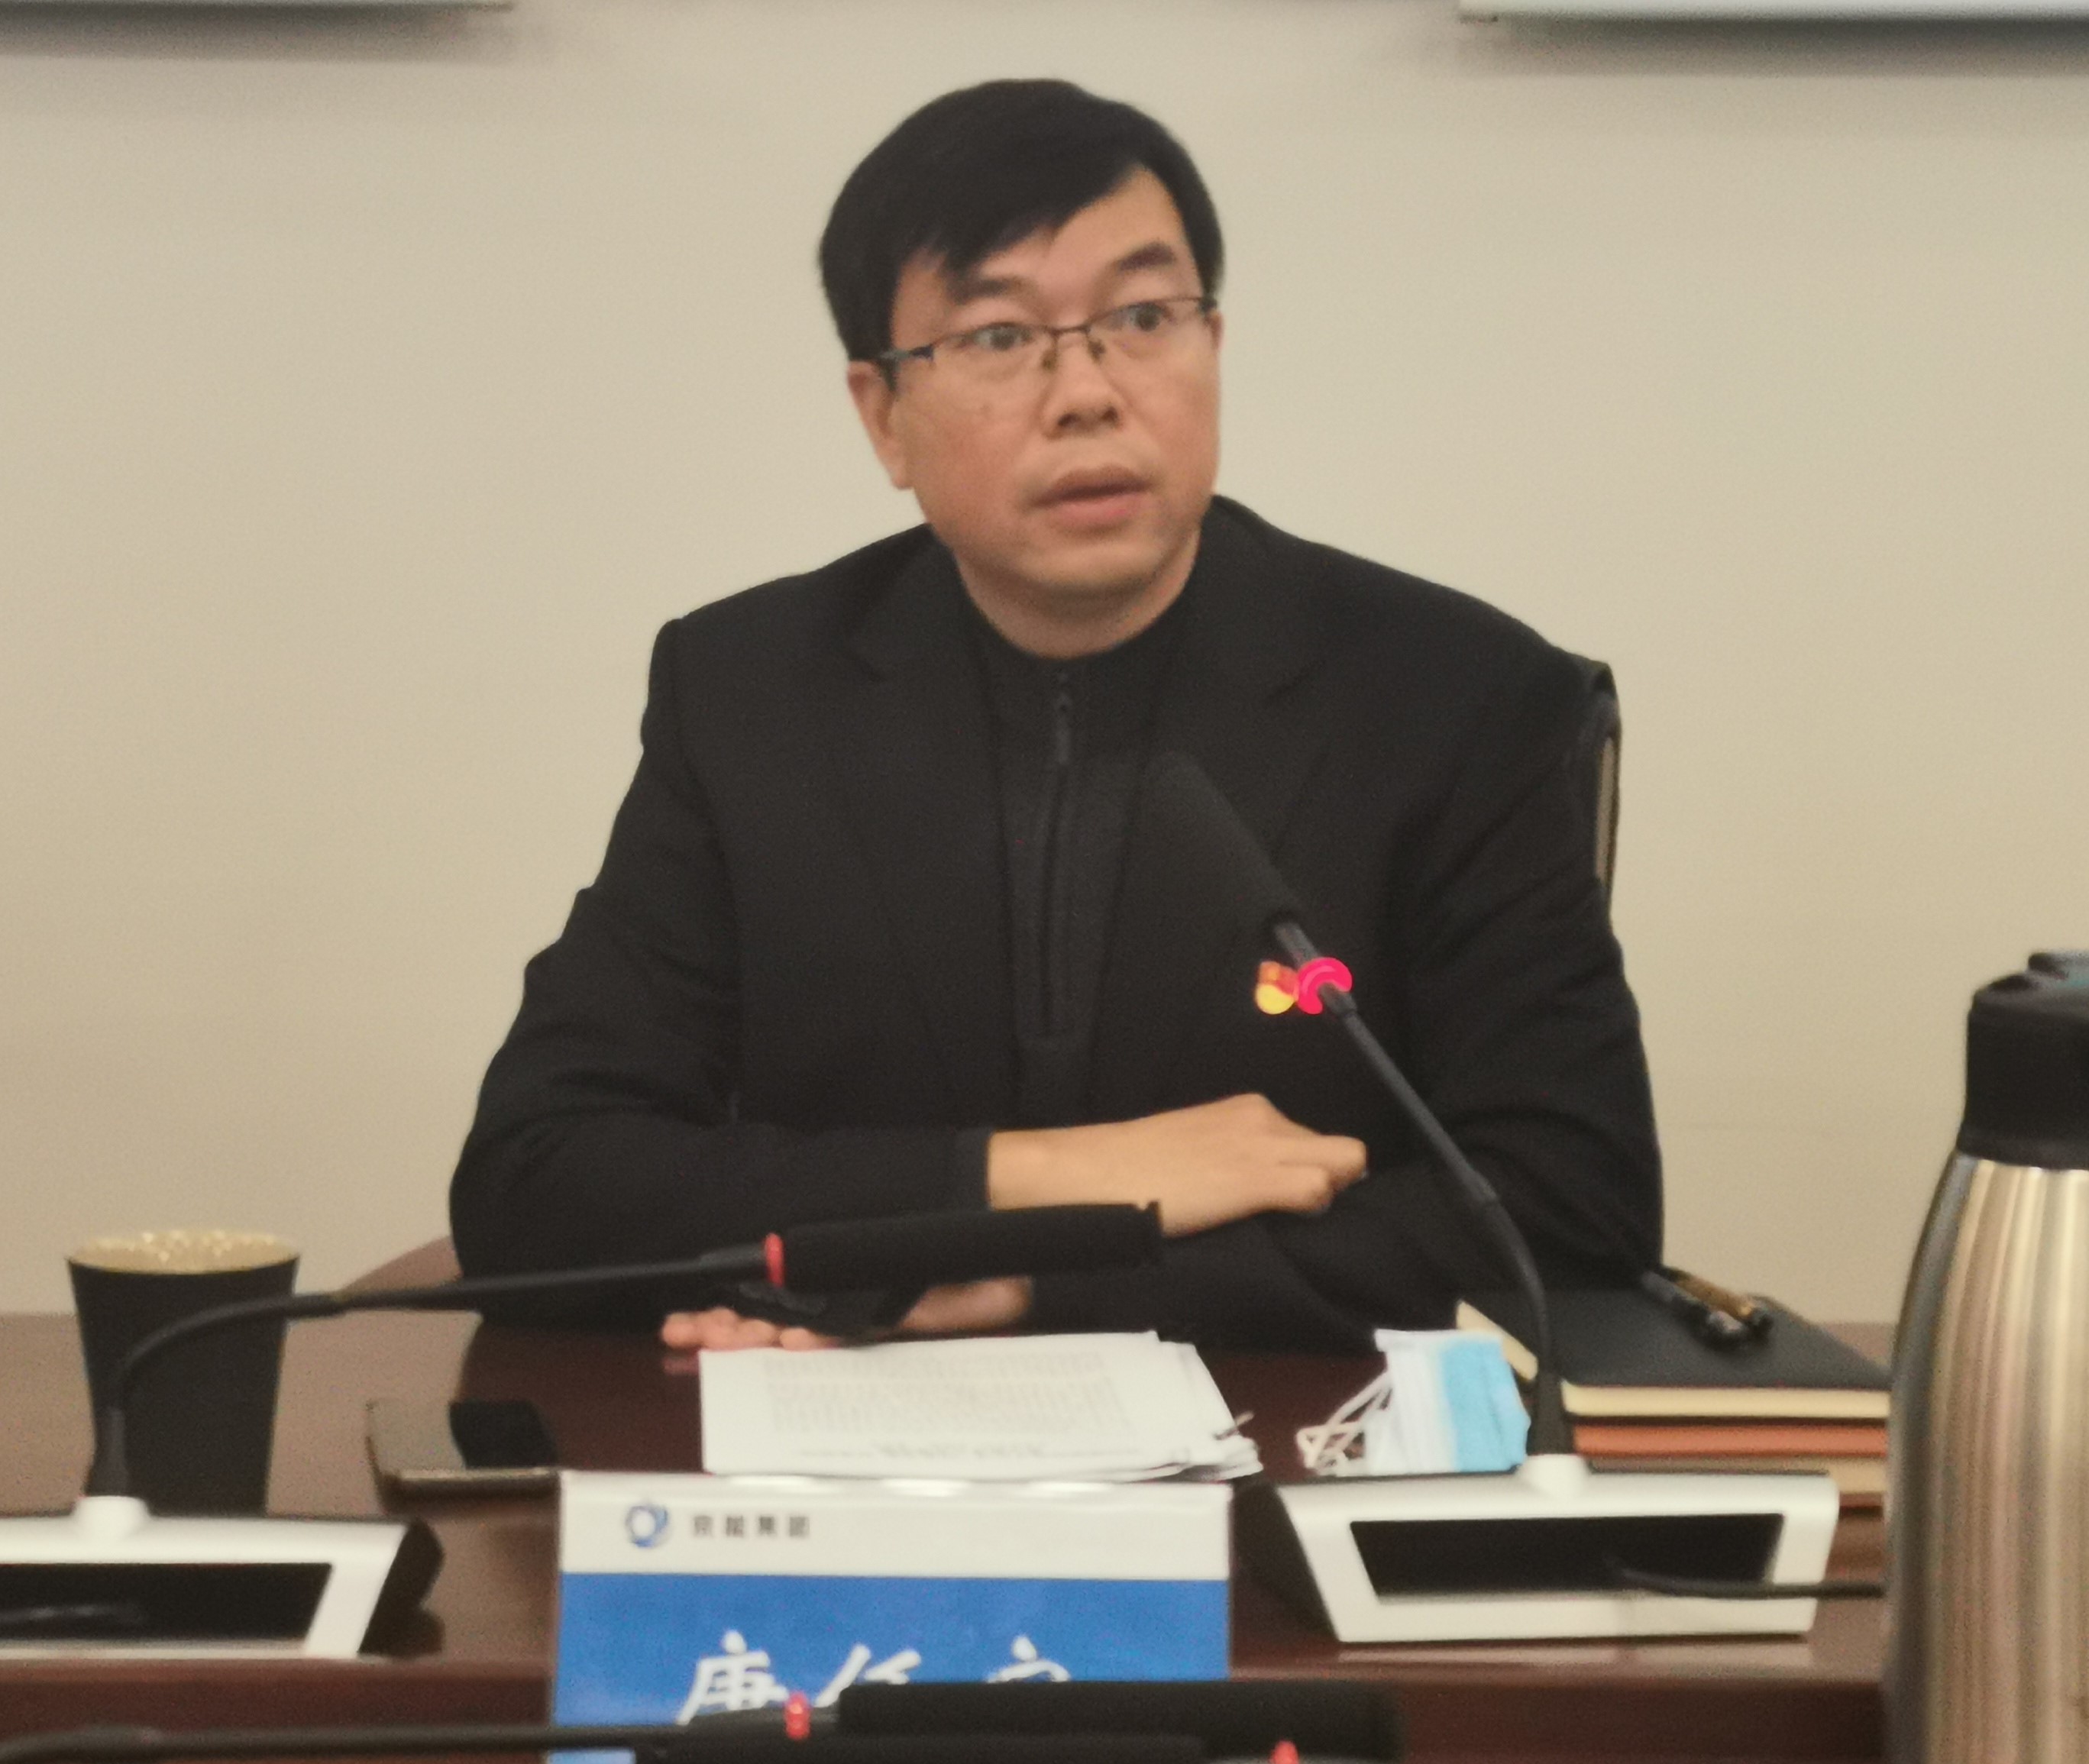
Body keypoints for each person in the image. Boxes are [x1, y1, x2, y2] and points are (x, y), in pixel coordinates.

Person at [449, 79, 1661, 1353]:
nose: (1087, 391)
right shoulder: (751, 693)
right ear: (883, 416)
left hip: (1294, 1443)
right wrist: (1041, 1177)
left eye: (1142, 318)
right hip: (851, 1440)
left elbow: (1574, 1215)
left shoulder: (1456, 699)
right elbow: (538, 1182)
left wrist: (1043, 1284)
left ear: (1212, 346)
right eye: (997, 336)